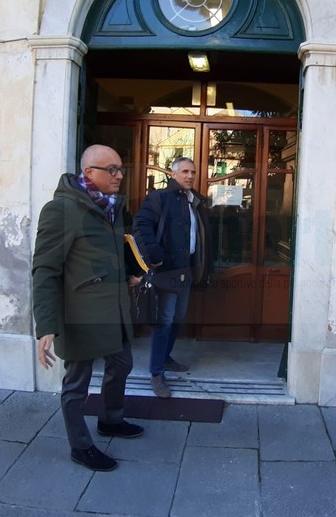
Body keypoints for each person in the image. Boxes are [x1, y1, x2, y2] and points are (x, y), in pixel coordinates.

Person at [32, 144, 144, 471]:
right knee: (76, 385)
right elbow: (45, 270)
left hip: (115, 309)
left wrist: (130, 272)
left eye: (121, 169)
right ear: (89, 173)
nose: (119, 175)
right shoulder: (61, 210)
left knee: (122, 364)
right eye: (112, 170)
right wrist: (47, 326)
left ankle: (110, 419)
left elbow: (115, 248)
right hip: (80, 314)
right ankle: (80, 447)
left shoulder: (112, 207)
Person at [133, 157, 207, 399]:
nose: (190, 176)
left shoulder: (194, 201)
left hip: (186, 271)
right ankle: (156, 373)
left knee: (177, 318)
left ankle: (165, 358)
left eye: (192, 172)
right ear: (173, 174)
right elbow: (141, 226)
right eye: (184, 171)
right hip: (165, 273)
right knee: (163, 322)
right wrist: (156, 257)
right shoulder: (159, 198)